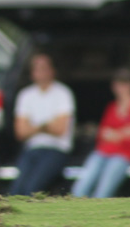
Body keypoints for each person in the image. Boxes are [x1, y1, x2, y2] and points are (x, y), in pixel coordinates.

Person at [9, 52, 75, 196]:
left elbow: (60, 129)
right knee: (16, 191)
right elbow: (20, 132)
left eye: (44, 68)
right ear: (32, 73)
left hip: (56, 150)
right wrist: (46, 125)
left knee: (32, 189)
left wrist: (33, 127)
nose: (41, 72)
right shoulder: (25, 95)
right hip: (32, 149)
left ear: (52, 71)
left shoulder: (63, 93)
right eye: (37, 68)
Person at [71, 67, 130, 198]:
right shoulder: (111, 107)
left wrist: (115, 134)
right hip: (102, 151)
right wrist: (121, 133)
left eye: (124, 84)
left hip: (123, 155)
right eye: (119, 84)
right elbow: (102, 133)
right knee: (80, 188)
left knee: (102, 193)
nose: (121, 88)